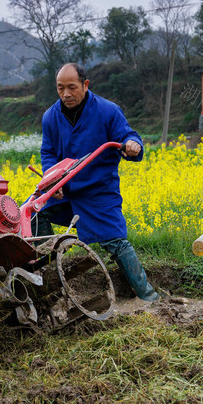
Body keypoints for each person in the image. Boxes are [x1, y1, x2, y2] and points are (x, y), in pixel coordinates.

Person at [32, 62, 159, 302]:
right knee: (36, 213)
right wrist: (51, 182)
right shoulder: (50, 116)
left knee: (116, 241)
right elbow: (48, 153)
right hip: (66, 191)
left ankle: (149, 297)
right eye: (60, 88)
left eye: (72, 87)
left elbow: (129, 136)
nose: (66, 94)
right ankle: (49, 278)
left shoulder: (108, 111)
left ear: (85, 84)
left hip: (99, 191)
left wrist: (133, 145)